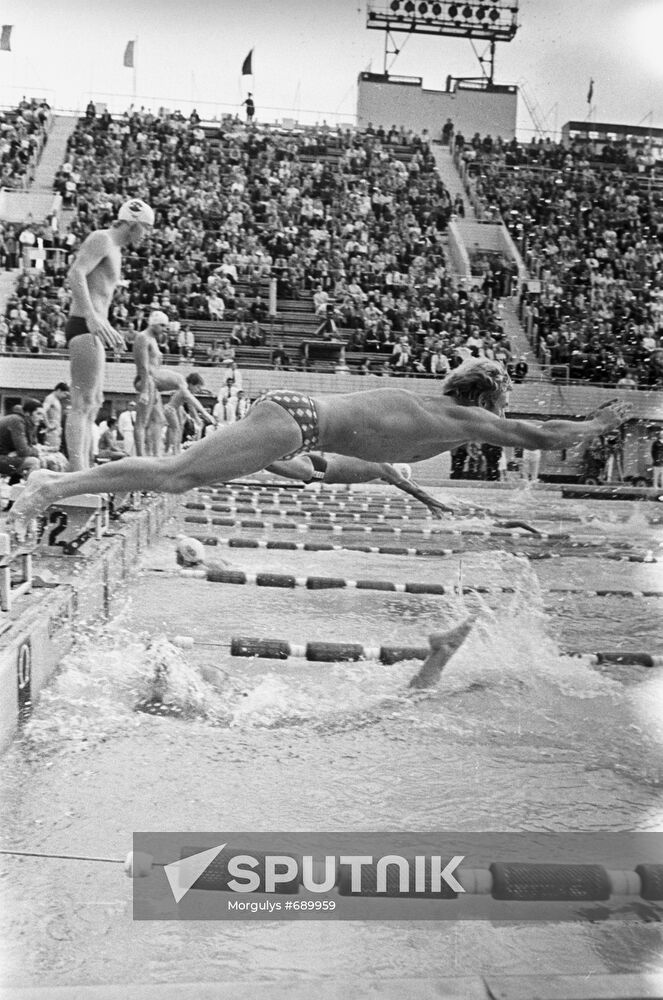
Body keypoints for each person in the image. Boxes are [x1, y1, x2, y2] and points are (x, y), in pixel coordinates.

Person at [11, 360, 632, 523]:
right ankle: (53, 484)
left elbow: (370, 462)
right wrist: (598, 426)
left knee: (181, 472)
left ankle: (57, 485)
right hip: (299, 419)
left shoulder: (438, 415)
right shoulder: (464, 418)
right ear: (487, 399)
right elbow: (535, 433)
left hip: (298, 421)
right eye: (498, 408)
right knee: (179, 474)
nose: (499, 422)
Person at [64, 198, 154, 470]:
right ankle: (75, 473)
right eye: (146, 229)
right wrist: (92, 316)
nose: (147, 235)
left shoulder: (115, 248)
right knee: (82, 402)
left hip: (94, 326)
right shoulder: (102, 239)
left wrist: (102, 321)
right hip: (83, 323)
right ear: (132, 223)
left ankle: (85, 467)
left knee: (95, 401)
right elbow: (75, 273)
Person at [265, 454, 459, 517]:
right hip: (317, 469)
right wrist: (438, 504)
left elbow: (410, 485)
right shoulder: (384, 468)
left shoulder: (381, 464)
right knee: (263, 460)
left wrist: (429, 504)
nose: (390, 482)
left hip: (318, 466)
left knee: (264, 460)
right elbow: (412, 489)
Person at [133, 311, 188, 456]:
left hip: (153, 383)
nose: (165, 329)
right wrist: (144, 389)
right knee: (142, 421)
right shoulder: (143, 337)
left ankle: (156, 454)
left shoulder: (152, 339)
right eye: (163, 326)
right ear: (154, 324)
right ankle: (140, 456)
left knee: (159, 419)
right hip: (146, 381)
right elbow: (144, 366)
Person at [163, 373, 215, 454]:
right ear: (191, 384)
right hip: (170, 409)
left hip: (175, 408)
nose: (198, 390)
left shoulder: (185, 391)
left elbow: (191, 408)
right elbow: (194, 402)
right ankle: (172, 448)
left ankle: (174, 448)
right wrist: (205, 413)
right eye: (197, 387)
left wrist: (197, 418)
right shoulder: (184, 390)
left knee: (180, 427)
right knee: (176, 429)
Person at [0, 398, 44, 484]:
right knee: (33, 462)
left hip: (4, 454)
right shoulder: (17, 421)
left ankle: (14, 485)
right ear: (27, 413)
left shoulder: (26, 422)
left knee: (37, 460)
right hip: (2, 456)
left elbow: (30, 446)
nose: (41, 418)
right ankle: (27, 494)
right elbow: (24, 451)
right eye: (38, 414)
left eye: (42, 415)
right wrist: (36, 451)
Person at [41, 382, 69, 451]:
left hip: (56, 430)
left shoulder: (56, 400)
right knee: (51, 450)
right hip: (52, 430)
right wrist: (48, 425)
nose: (65, 396)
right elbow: (43, 411)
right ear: (59, 390)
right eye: (64, 393)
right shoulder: (50, 398)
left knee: (56, 449)